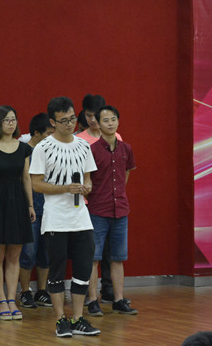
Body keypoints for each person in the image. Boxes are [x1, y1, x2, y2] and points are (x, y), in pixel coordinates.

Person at [29, 96, 100, 338]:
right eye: (63, 121)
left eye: (72, 119)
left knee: (83, 268)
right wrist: (64, 188)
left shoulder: (83, 146)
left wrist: (86, 187)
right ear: (53, 122)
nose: (69, 124)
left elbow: (89, 177)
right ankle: (61, 319)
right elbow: (36, 184)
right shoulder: (43, 148)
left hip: (81, 217)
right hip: (56, 218)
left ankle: (78, 318)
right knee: (57, 269)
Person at [0, 105, 35, 320]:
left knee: (14, 255)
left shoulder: (24, 148)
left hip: (18, 201)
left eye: (13, 119)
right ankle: (1, 300)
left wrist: (30, 205)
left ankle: (12, 299)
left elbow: (26, 177)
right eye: (6, 120)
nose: (11, 123)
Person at [85, 106, 138, 316]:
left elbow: (126, 175)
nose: (110, 123)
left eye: (113, 119)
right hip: (97, 210)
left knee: (118, 257)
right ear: (98, 124)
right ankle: (92, 300)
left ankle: (118, 300)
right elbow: (87, 180)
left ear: (118, 121)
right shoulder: (91, 150)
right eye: (105, 120)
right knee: (93, 258)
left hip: (120, 210)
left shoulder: (126, 148)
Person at [76, 93, 122, 305]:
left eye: (97, 115)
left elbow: (122, 173)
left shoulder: (116, 137)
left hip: (112, 203)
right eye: (88, 115)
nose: (93, 120)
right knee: (91, 251)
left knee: (112, 251)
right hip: (87, 203)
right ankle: (89, 293)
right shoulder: (79, 139)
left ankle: (110, 289)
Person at [18, 113, 54, 309]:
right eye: (48, 133)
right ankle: (25, 292)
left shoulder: (51, 152)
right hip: (29, 209)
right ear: (36, 133)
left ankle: (42, 291)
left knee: (46, 253)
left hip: (49, 208)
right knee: (28, 252)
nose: (51, 137)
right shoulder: (24, 151)